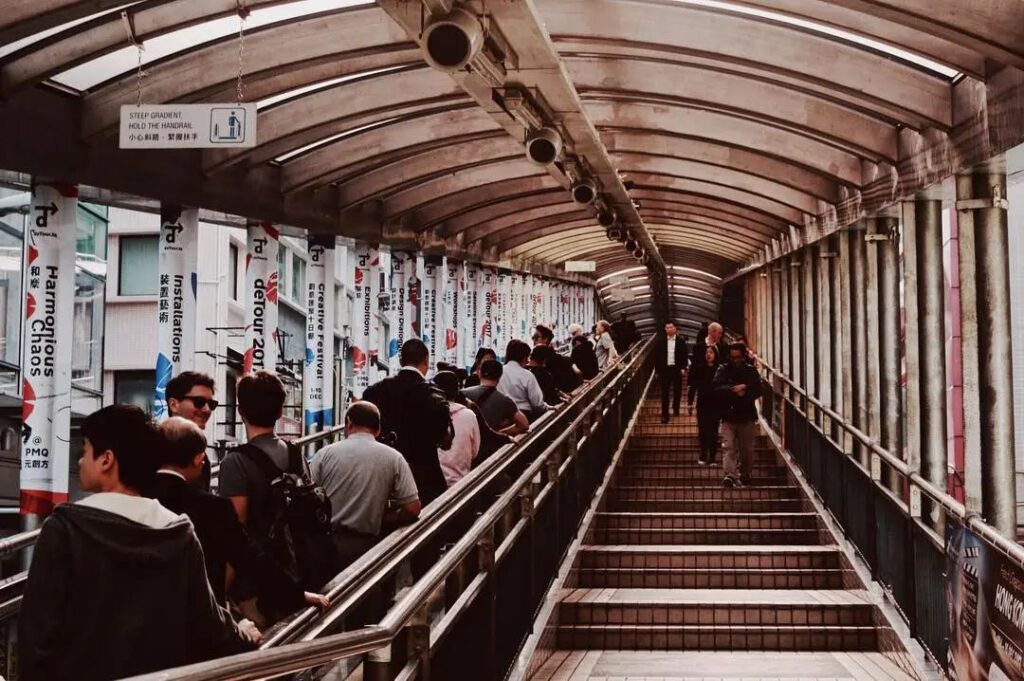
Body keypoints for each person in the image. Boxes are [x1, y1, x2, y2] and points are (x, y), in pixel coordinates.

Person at [20, 405, 259, 681]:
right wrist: (245, 634)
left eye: (85, 450)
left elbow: (37, 635)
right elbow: (209, 624)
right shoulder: (178, 532)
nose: (80, 461)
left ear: (107, 459)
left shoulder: (65, 529)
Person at [147, 417, 328, 623]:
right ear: (198, 459)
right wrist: (298, 595)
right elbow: (251, 559)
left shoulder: (139, 496)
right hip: (196, 618)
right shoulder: (213, 509)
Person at [218, 371, 336, 595]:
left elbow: (235, 530)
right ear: (280, 410)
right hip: (299, 570)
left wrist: (222, 589)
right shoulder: (295, 453)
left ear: (241, 411)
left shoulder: (235, 463)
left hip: (257, 581)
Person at [310, 402, 421, 568]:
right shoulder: (394, 458)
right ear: (378, 429)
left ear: (348, 423)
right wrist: (390, 517)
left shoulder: (324, 454)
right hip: (369, 546)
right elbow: (413, 508)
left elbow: (309, 497)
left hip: (327, 542)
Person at [362, 339, 454, 505]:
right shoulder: (435, 396)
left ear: (400, 360)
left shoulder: (373, 392)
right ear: (426, 361)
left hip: (383, 480)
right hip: (424, 480)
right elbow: (446, 441)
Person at [714, 343, 764, 488]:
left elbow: (759, 389)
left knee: (746, 449)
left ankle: (745, 473)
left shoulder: (751, 371)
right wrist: (732, 390)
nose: (735, 360)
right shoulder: (723, 369)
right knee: (728, 446)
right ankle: (730, 475)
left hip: (746, 416)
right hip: (728, 415)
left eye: (738, 357)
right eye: (733, 357)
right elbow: (716, 387)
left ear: (743, 356)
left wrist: (745, 388)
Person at [166, 370, 219, 490]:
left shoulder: (202, 457)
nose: (207, 410)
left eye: (211, 404)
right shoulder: (150, 448)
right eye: (199, 402)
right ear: (174, 405)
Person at [433, 371, 480, 486]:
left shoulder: (428, 413)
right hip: (461, 482)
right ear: (457, 391)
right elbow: (474, 451)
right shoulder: (469, 415)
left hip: (434, 484)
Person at [463, 359, 530, 436]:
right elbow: (524, 425)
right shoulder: (505, 401)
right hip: (488, 445)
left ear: (479, 373)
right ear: (500, 376)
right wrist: (499, 433)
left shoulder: (463, 394)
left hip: (465, 443)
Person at [498, 339, 551, 421]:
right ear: (524, 357)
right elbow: (537, 403)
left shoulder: (498, 372)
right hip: (524, 416)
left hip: (501, 417)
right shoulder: (527, 375)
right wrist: (548, 407)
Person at [688, 345, 721, 465]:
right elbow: (693, 387)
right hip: (702, 403)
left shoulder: (720, 369)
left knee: (713, 431)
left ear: (715, 355)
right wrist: (690, 403)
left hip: (716, 403)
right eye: (707, 352)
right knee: (702, 430)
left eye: (711, 352)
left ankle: (712, 456)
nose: (708, 354)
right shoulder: (700, 368)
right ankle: (703, 454)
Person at [655, 321, 688, 423]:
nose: (669, 329)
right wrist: (657, 371)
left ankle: (676, 408)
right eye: (667, 328)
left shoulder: (681, 341)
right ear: (665, 329)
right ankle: (665, 415)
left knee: (677, 390)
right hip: (665, 370)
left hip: (676, 369)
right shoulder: (660, 341)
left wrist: (683, 368)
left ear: (675, 329)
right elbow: (657, 358)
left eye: (671, 327)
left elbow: (684, 355)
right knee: (665, 393)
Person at [533, 325, 582, 393]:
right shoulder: (561, 359)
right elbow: (578, 372)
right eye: (533, 337)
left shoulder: (545, 361)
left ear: (545, 339)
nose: (533, 340)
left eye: (536, 337)